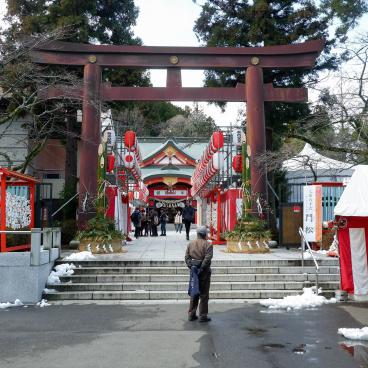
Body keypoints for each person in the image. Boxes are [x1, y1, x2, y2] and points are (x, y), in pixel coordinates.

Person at [185, 226, 213, 322]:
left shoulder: (190, 244)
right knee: (204, 294)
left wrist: (192, 267)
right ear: (205, 234)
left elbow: (187, 257)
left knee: (194, 293)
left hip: (194, 272)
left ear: (197, 234)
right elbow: (207, 258)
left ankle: (191, 314)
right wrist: (201, 268)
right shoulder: (208, 245)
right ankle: (202, 316)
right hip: (204, 272)